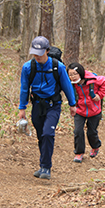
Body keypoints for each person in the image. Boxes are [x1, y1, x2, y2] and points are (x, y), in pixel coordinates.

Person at [18, 36, 77, 180]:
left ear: (47, 51)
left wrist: (72, 104)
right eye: (34, 53)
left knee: (47, 134)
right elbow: (24, 88)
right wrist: (22, 108)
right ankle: (43, 165)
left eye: (40, 52)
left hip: (53, 106)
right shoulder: (28, 67)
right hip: (37, 105)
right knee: (41, 136)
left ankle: (46, 167)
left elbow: (67, 86)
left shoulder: (58, 67)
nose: (37, 56)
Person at [67, 62, 105, 163]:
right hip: (79, 110)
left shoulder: (93, 80)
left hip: (94, 111)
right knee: (78, 131)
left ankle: (95, 146)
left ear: (80, 73)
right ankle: (79, 153)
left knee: (92, 132)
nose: (72, 77)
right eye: (70, 74)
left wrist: (99, 95)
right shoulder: (71, 83)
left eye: (75, 74)